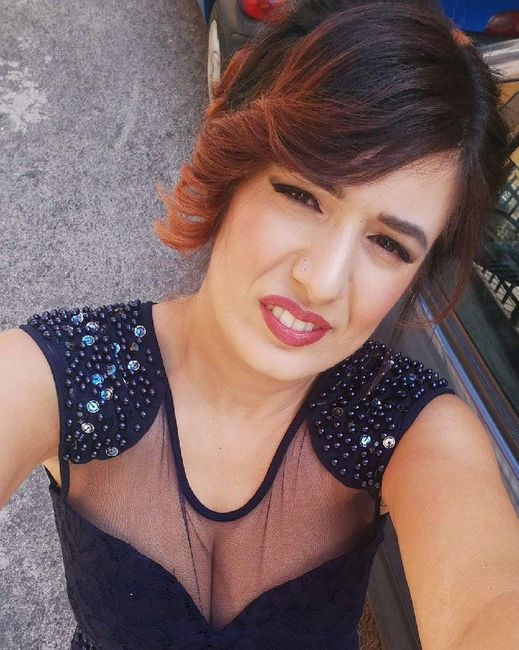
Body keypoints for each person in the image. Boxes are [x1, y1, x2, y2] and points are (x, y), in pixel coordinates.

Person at [1, 0, 518, 648]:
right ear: (233, 167)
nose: (321, 281)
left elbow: (487, 603)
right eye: (301, 195)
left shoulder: (414, 427)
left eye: (388, 244)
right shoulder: (60, 372)